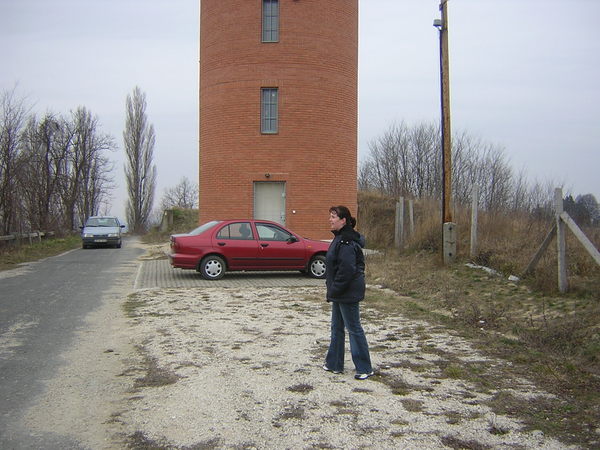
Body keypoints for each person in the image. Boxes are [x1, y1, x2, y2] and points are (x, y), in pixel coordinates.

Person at [323, 205, 374, 380]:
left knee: (354, 328)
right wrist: (333, 289)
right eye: (330, 216)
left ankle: (364, 367)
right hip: (340, 291)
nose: (330, 220)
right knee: (336, 328)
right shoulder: (339, 238)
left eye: (333, 217)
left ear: (343, 220)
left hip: (347, 291)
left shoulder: (346, 241)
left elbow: (347, 270)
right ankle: (334, 364)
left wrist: (334, 289)